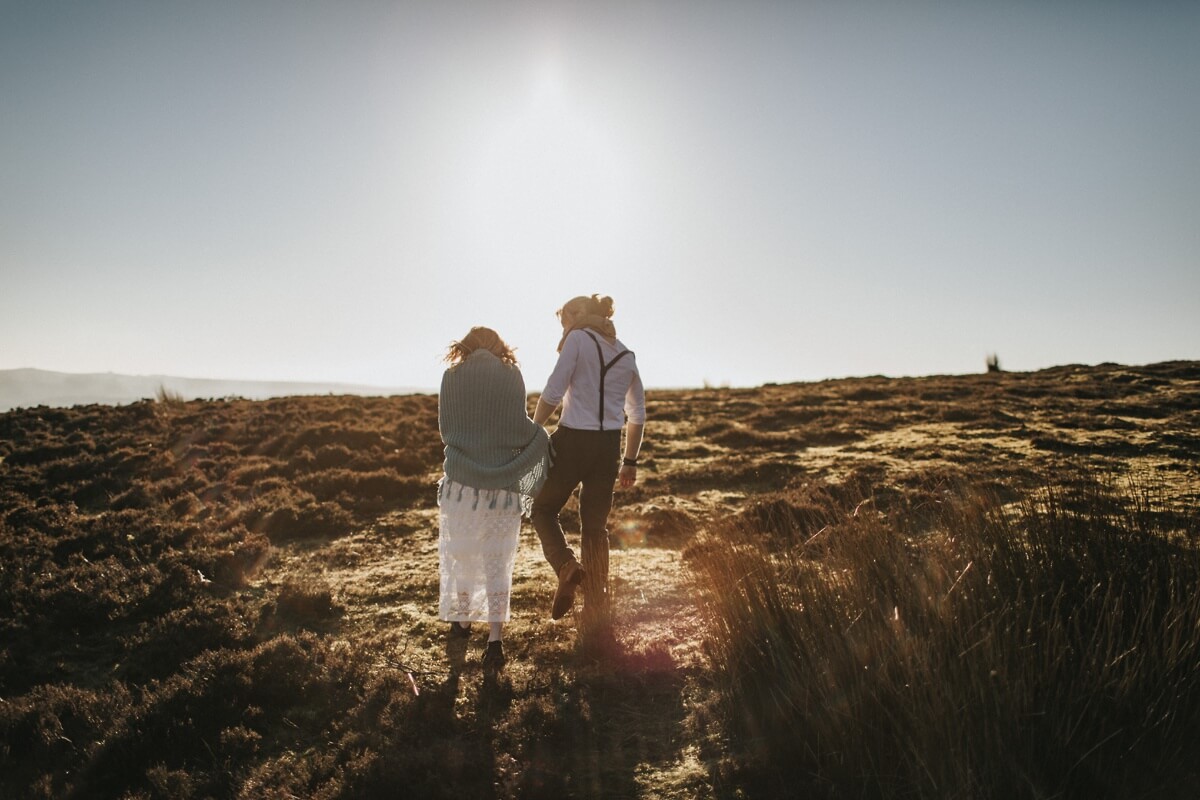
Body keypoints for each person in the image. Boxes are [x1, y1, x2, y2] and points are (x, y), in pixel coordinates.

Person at [437, 326, 551, 672]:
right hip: (502, 489)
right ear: (498, 346)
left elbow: (446, 430)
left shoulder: (451, 377)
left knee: (463, 555)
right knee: (497, 563)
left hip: (462, 486)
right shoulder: (512, 375)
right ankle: (495, 641)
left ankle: (463, 622)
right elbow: (520, 427)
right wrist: (537, 440)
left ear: (466, 346)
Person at [531, 294, 645, 625]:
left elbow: (553, 391)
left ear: (578, 316)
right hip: (608, 448)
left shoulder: (578, 338)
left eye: (565, 320)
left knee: (542, 508)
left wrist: (532, 430)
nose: (564, 328)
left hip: (572, 442)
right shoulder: (626, 354)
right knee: (595, 528)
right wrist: (630, 461)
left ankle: (567, 567)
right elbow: (637, 413)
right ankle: (597, 603)